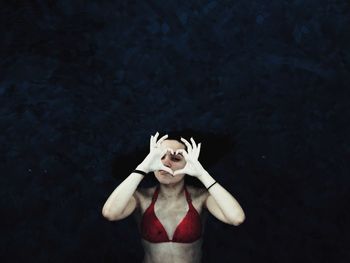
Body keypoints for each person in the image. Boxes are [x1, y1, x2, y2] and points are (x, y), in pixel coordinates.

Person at [102, 132, 245, 263]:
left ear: (189, 163)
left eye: (175, 158)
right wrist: (144, 167)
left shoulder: (200, 198)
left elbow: (236, 218)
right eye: (159, 157)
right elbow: (110, 213)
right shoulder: (141, 198)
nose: (165, 163)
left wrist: (201, 173)